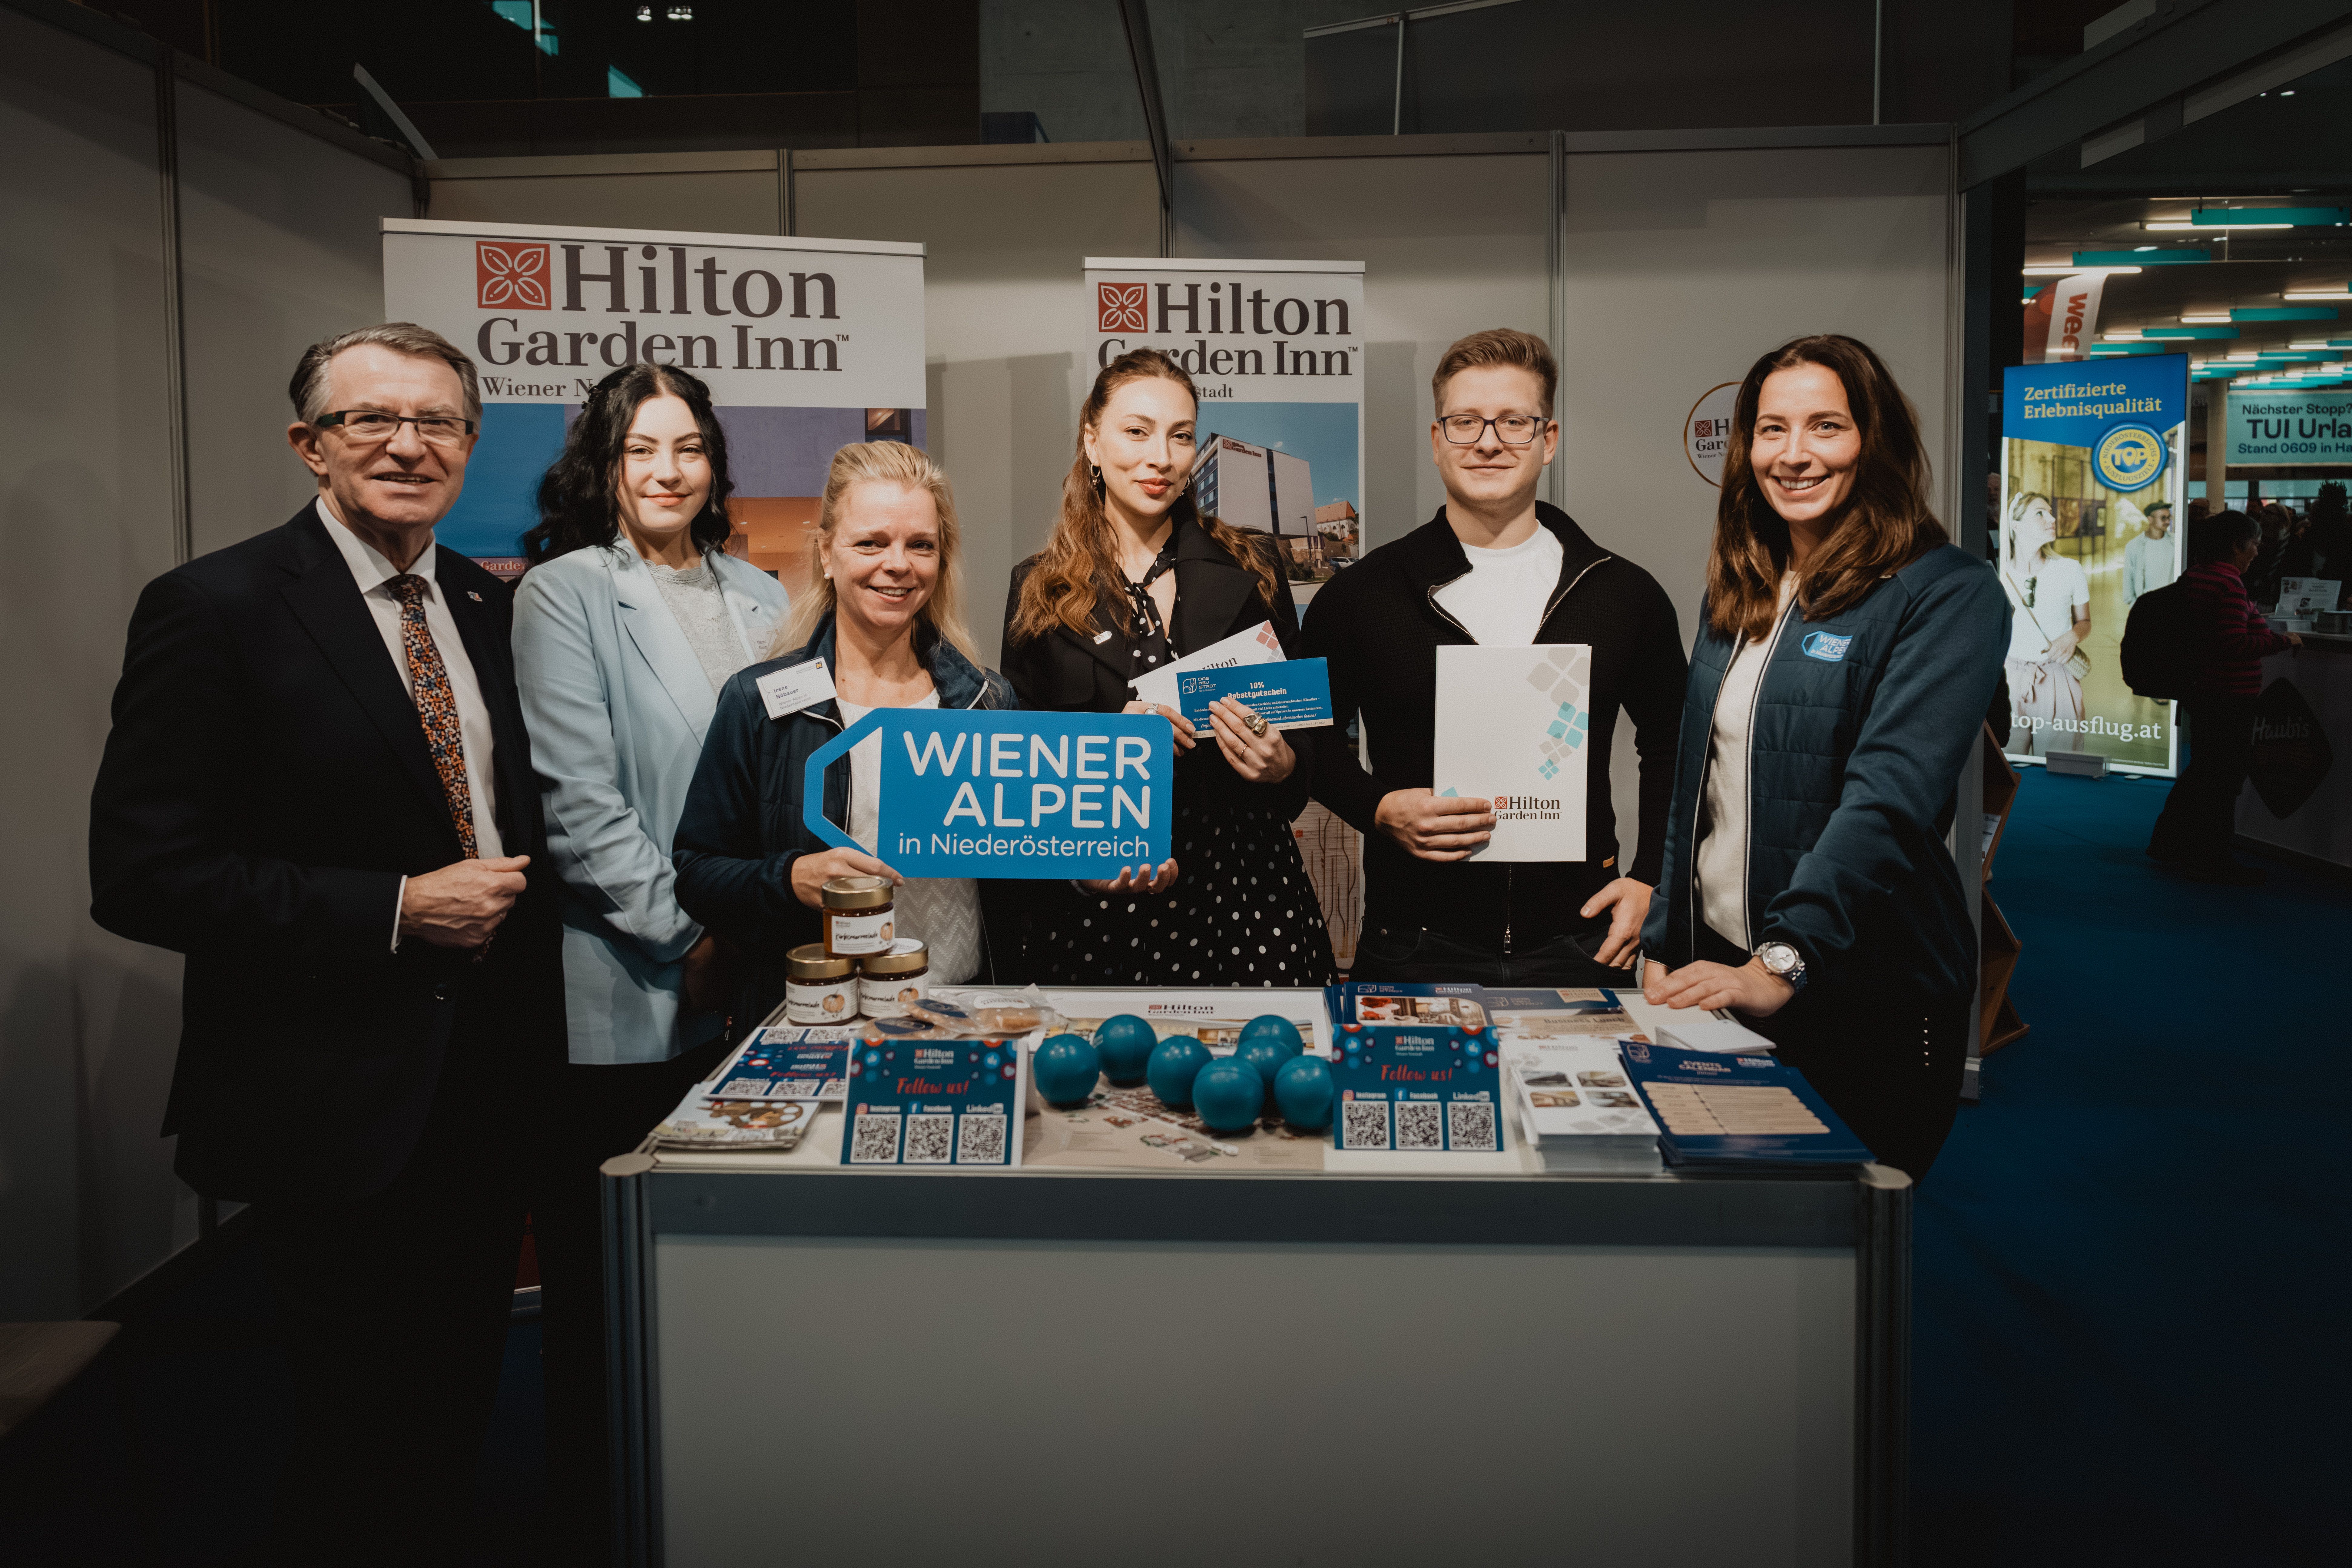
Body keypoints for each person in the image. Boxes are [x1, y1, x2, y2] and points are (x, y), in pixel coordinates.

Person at [87, 324, 563, 1562]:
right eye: (371, 420)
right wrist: (395, 907)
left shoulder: (484, 603)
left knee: (455, 1399)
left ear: (471, 444)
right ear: (309, 443)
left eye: (440, 422)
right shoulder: (216, 607)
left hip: (482, 1091)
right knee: (355, 1428)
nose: (409, 444)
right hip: (329, 1100)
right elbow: (144, 875)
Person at [508, 363, 788, 1552]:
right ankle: (603, 1515)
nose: (668, 471)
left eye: (687, 448)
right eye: (641, 451)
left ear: (716, 463)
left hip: (766, 985)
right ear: (604, 468)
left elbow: (797, 773)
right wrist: (698, 936)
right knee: (610, 1290)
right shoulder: (565, 593)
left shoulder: (771, 593)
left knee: (737, 1280)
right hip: (630, 981)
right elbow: (579, 808)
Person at [1640, 334, 2009, 1183]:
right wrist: (1668, 929)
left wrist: (1784, 960)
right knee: (1731, 1248)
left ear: (1872, 440)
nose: (1793, 454)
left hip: (1862, 993)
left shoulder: (1945, 593)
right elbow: (1696, 787)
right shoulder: (1741, 584)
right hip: (1730, 981)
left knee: (1840, 1269)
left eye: (1825, 427)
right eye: (1771, 430)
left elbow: (1887, 801)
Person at [1298, 328, 1685, 984]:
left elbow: (1674, 742)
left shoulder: (1623, 593)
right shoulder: (1361, 595)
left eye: (1513, 421)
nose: (1487, 441)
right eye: (1465, 421)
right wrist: (1377, 808)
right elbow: (1308, 736)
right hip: (1410, 941)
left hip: (1582, 939)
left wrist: (1652, 877)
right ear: (1436, 438)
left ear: (1549, 438)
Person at [1000, 348, 1335, 986]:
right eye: (1137, 431)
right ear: (1091, 440)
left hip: (1247, 901)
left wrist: (1284, 763)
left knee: (1257, 1083)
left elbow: (1309, 750)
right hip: (1100, 905)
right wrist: (1105, 743)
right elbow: (1023, 769)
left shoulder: (1256, 565)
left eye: (1181, 436)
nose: (1162, 456)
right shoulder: (1038, 588)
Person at [674, 441, 1018, 1013]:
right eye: (871, 542)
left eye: (921, 545)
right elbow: (697, 874)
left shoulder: (989, 701)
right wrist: (790, 879)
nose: (899, 564)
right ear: (827, 553)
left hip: (966, 1012)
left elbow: (1024, 864)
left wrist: (1098, 868)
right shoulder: (758, 704)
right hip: (824, 1018)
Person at [2147, 508, 2300, 884]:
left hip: (2203, 691)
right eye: (2253, 543)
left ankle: (2170, 844)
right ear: (2236, 545)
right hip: (2229, 695)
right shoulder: (2228, 584)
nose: (2257, 551)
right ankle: (2212, 858)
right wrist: (2282, 641)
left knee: (2202, 771)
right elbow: (2234, 642)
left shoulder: (2196, 577)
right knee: (2222, 780)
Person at [1998, 490, 2090, 755]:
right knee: (2008, 762)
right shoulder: (1999, 573)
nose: (2052, 519)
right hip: (2009, 676)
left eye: (2050, 512)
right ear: (2016, 526)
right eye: (2040, 513)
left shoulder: (2070, 569)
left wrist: (2072, 637)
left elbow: (2085, 621)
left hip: (2057, 677)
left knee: (2058, 760)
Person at [2122, 499, 2178, 605]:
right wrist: (2133, 604)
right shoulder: (2134, 546)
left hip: (2170, 602)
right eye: (2163, 518)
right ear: (2150, 520)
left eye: (2169, 518)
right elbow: (2128, 578)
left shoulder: (2175, 543)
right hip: (2145, 603)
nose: (2167, 522)